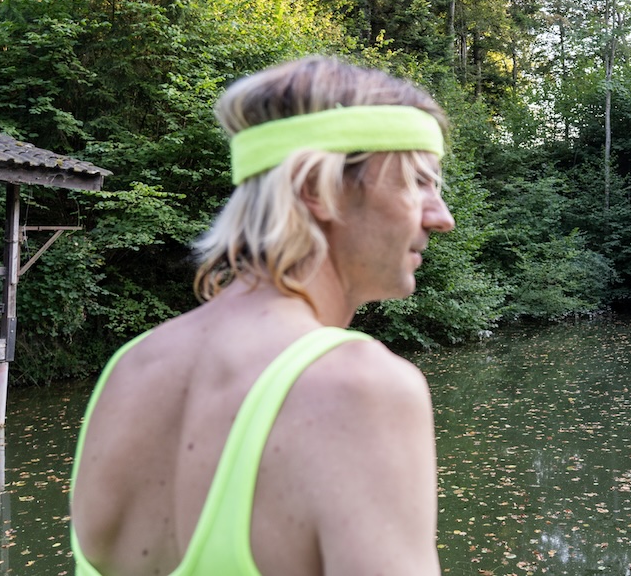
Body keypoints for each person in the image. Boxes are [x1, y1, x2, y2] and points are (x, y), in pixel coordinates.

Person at [69, 55, 455, 576]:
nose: (441, 217)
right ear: (318, 190)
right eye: (419, 183)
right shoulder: (363, 388)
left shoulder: (126, 371)